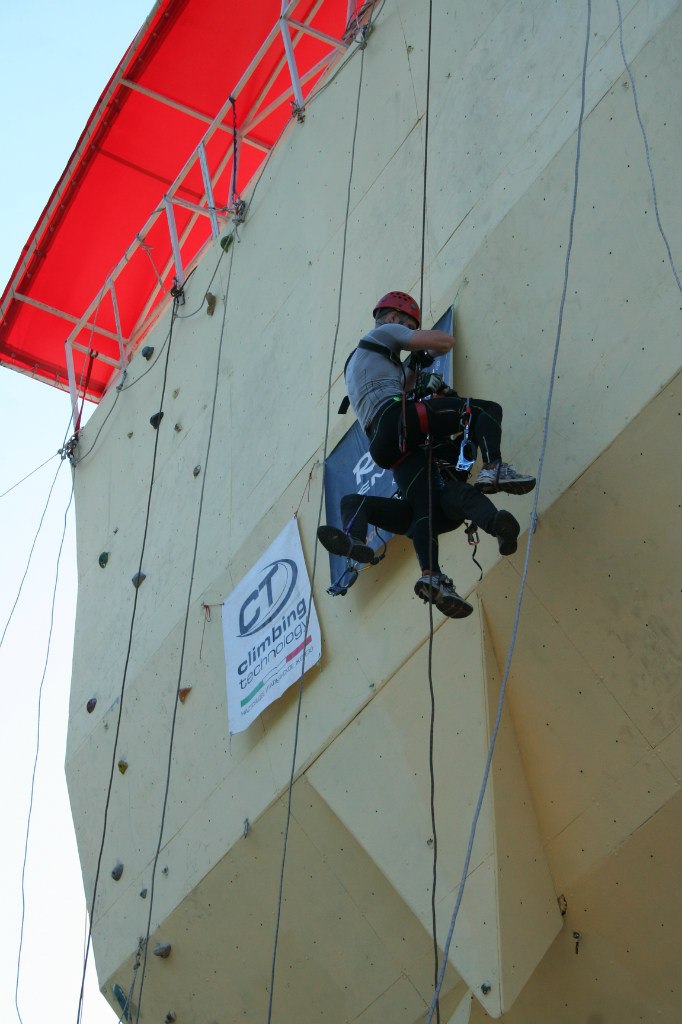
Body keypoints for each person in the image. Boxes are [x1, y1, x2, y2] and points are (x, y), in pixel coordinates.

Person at [317, 291, 535, 618]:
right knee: (484, 412)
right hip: (398, 419)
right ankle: (495, 467)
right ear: (391, 319)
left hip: (386, 443)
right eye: (405, 324)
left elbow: (407, 384)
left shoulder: (368, 366)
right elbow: (444, 341)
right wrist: (422, 346)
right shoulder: (382, 333)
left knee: (422, 509)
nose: (405, 329)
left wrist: (417, 365)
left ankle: (373, 548)